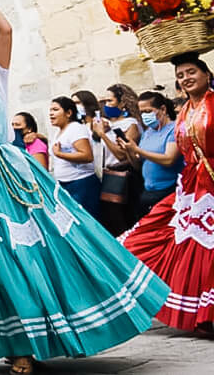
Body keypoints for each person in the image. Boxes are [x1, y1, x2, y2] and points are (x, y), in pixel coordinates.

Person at [0, 0, 167, 374]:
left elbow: (6, 31)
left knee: (50, 247)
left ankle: (64, 325)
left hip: (16, 172)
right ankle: (17, 344)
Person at [121, 53, 214, 332]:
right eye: (180, 75)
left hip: (210, 182)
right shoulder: (185, 110)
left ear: (206, 73)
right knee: (152, 233)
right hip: (191, 185)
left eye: (191, 72)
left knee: (206, 247)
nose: (186, 78)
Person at [116, 91, 182, 220]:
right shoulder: (148, 133)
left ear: (162, 109)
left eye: (148, 111)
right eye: (142, 113)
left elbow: (169, 159)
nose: (145, 116)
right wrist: (129, 150)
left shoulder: (174, 130)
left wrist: (137, 150)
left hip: (169, 191)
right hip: (148, 190)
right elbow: (139, 165)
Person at [91, 84, 144, 234]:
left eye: (110, 101)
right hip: (107, 174)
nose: (106, 105)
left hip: (124, 175)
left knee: (125, 217)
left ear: (122, 103)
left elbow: (121, 154)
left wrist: (102, 135)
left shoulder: (131, 124)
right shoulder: (109, 124)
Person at [48, 96, 101, 218]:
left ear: (68, 113)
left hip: (81, 184)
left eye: (55, 110)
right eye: (50, 110)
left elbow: (87, 155)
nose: (51, 114)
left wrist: (60, 154)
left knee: (87, 221)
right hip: (65, 184)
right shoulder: (59, 131)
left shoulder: (75, 128)